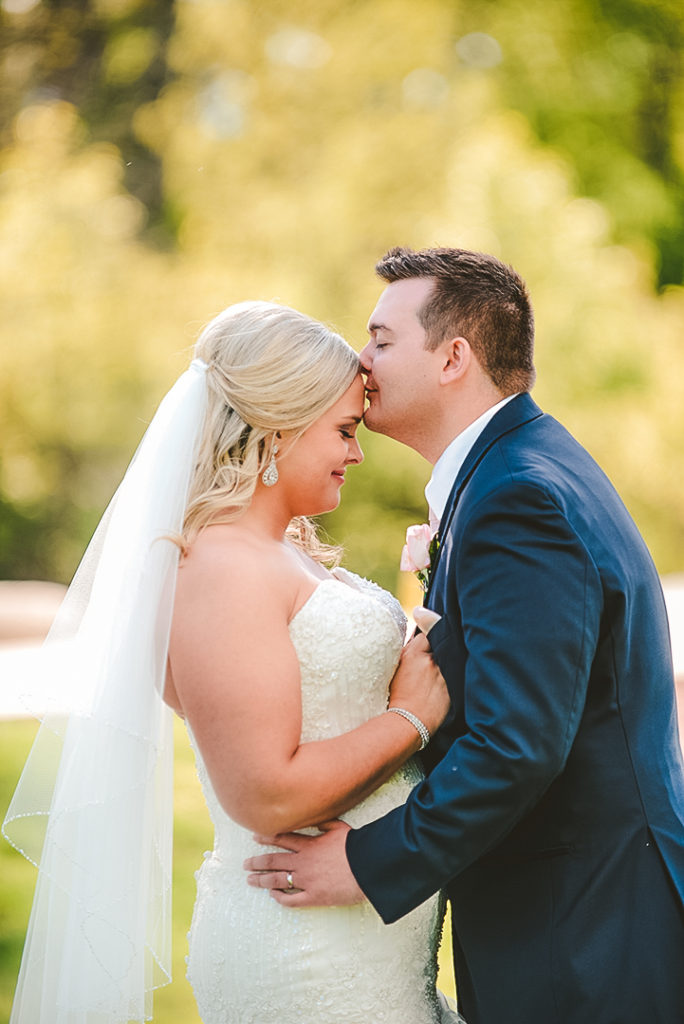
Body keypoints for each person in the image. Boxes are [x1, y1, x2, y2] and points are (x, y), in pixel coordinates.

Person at [245, 248, 684, 1024]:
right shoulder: (519, 468)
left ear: (454, 358)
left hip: (586, 933)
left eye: (382, 339)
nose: (361, 359)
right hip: (579, 913)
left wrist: (367, 860)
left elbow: (518, 743)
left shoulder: (518, 497)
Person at [3, 300, 458, 1024]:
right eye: (343, 430)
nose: (357, 452)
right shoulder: (219, 566)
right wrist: (411, 717)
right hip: (305, 953)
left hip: (360, 943)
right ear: (278, 428)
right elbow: (265, 794)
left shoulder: (275, 552)